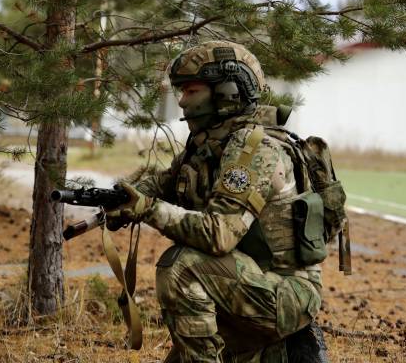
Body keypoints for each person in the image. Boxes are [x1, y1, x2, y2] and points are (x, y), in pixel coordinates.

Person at [106, 41, 327, 362]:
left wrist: (149, 209)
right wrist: (121, 198)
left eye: (191, 91)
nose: (181, 101)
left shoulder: (255, 150)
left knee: (180, 266)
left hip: (286, 294)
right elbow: (162, 184)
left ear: (228, 92)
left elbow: (219, 235)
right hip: (244, 281)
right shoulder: (209, 143)